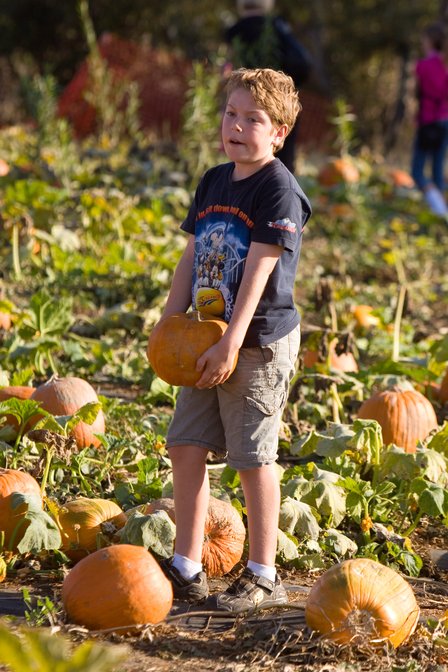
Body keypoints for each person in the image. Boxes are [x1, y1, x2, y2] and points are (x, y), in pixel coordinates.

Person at [156, 67, 311, 613]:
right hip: (204, 335)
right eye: (231, 114)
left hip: (257, 342)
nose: (238, 127)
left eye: (254, 119)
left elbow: (261, 271)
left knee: (251, 457)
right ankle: (187, 564)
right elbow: (192, 255)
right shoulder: (214, 180)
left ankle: (264, 572)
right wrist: (170, 318)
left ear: (279, 133)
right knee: (186, 443)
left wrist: (231, 345)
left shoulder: (279, 189)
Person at [224, 0, 312, 174]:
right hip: (276, 107)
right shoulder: (277, 29)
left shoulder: (234, 33)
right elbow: (304, 64)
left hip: (247, 100)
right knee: (281, 165)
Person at [411, 21, 448, 218]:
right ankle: (440, 210)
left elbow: (417, 93)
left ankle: (441, 211)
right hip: (444, 121)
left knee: (417, 172)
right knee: (437, 171)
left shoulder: (423, 66)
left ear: (431, 41)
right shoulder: (445, 65)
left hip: (427, 121)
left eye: (424, 40)